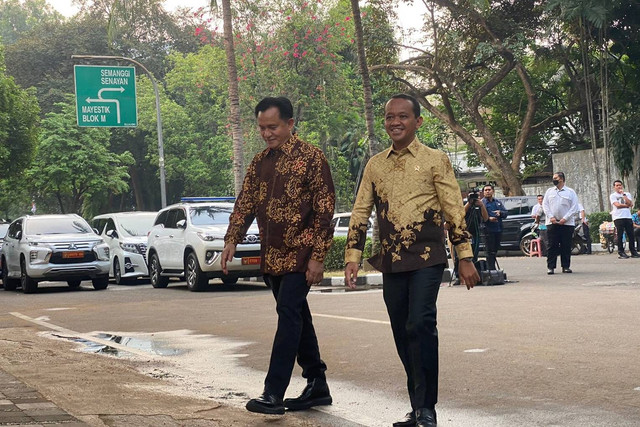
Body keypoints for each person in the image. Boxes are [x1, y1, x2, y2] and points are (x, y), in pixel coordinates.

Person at [343, 94, 479, 427]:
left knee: (420, 324)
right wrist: (352, 256)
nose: (395, 122)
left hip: (427, 257)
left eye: (402, 116)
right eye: (390, 117)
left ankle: (426, 408)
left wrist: (465, 256)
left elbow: (451, 209)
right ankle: (417, 406)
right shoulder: (375, 164)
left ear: (417, 122)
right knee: (402, 333)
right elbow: (361, 210)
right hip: (391, 260)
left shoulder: (436, 159)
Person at [222, 97, 335, 415]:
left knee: (288, 314)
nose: (267, 133)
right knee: (298, 316)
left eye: (272, 127)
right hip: (271, 255)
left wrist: (317, 256)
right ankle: (317, 383)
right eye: (261, 128)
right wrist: (232, 240)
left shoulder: (312, 158)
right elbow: (244, 203)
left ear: (289, 124)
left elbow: (325, 209)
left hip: (301, 252)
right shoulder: (260, 162)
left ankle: (273, 393)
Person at [542, 172, 579, 274]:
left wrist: (565, 218)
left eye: (556, 178)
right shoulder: (549, 191)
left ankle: (566, 266)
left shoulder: (570, 192)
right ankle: (551, 267)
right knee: (552, 245)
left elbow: (574, 207)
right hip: (552, 223)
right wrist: (551, 217)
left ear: (561, 179)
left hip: (566, 224)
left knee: (566, 245)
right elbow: (545, 206)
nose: (554, 180)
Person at [609, 180, 639, 259]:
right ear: (614, 187)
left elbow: (630, 204)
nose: (619, 187)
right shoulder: (613, 195)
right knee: (620, 235)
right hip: (618, 217)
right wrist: (626, 205)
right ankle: (621, 252)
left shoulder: (627, 194)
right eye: (617, 185)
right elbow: (617, 205)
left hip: (628, 217)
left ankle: (633, 251)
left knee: (631, 235)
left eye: (620, 185)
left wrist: (624, 195)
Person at [481, 185, 508, 270]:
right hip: (488, 230)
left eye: (489, 190)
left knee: (495, 250)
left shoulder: (497, 202)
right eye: (486, 190)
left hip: (498, 229)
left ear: (493, 191)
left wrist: (500, 213)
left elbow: (506, 213)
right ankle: (491, 270)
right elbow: (478, 217)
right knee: (489, 251)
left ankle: (492, 269)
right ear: (483, 192)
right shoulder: (482, 203)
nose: (487, 191)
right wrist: (488, 219)